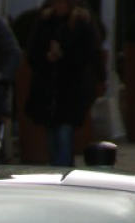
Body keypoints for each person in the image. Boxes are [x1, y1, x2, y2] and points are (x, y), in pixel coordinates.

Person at [24, 0, 98, 167]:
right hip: (48, 92)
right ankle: (58, 175)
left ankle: (62, 177)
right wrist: (47, 57)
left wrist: (62, 56)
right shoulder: (44, 22)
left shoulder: (80, 22)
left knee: (64, 137)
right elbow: (33, 54)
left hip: (69, 93)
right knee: (52, 140)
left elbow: (84, 57)